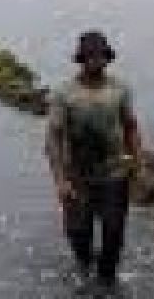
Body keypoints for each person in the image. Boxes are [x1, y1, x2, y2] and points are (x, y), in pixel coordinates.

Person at [45, 31, 143, 284]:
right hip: (77, 175)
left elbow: (131, 127)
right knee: (79, 236)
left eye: (100, 56)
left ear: (107, 58)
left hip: (114, 175)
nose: (95, 61)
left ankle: (107, 285)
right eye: (90, 57)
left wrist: (136, 167)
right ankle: (85, 274)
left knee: (113, 234)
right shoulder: (64, 94)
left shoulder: (119, 89)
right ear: (81, 59)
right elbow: (53, 139)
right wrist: (60, 181)